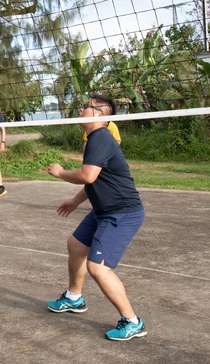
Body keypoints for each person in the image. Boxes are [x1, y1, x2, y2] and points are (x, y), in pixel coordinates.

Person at [45, 94, 147, 341]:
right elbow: (97, 180)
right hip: (103, 211)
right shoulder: (94, 138)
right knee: (76, 245)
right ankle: (74, 298)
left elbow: (88, 175)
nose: (80, 109)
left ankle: (132, 321)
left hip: (122, 213)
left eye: (85, 106)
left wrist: (60, 173)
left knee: (97, 267)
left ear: (99, 114)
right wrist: (75, 201)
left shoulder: (100, 136)